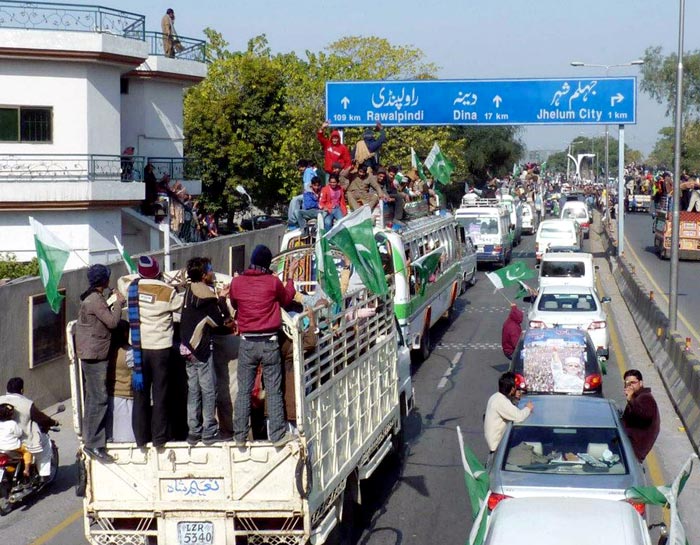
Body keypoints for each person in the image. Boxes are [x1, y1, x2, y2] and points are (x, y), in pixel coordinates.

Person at [229, 245, 296, 448]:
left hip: (247, 343)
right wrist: (290, 279)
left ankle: (239, 435)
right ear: (268, 264)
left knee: (244, 391)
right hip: (270, 343)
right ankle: (276, 436)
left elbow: (234, 304)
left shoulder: (237, 282)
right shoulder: (273, 282)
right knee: (274, 389)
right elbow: (286, 299)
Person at [119, 256, 184, 448]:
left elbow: (121, 280)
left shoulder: (131, 288)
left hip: (139, 351)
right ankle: (159, 437)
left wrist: (141, 276)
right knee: (161, 394)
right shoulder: (168, 292)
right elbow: (179, 307)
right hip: (161, 350)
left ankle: (141, 438)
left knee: (140, 396)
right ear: (158, 271)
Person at [180, 257, 232, 446]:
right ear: (203, 275)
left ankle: (193, 431)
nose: (213, 272)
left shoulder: (188, 291)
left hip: (185, 347)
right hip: (200, 348)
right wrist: (222, 299)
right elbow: (219, 322)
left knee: (193, 390)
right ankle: (209, 430)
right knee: (209, 390)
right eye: (210, 269)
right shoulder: (207, 296)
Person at [75, 264, 125, 462]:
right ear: (103, 280)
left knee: (93, 399)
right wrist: (119, 303)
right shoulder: (95, 300)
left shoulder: (93, 298)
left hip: (92, 353)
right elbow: (112, 323)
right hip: (95, 355)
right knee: (99, 399)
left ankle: (92, 439)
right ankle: (94, 444)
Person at [0, 378, 58, 483]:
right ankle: (44, 475)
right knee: (45, 444)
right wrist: (53, 422)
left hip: (2, 441)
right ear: (21, 390)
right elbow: (42, 419)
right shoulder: (27, 404)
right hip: (21, 441)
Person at [484, 372, 533, 456]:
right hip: (498, 448)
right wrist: (528, 408)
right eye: (517, 389)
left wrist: (515, 398)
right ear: (512, 389)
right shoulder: (501, 402)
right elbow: (519, 417)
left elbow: (510, 408)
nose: (519, 392)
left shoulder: (496, 397)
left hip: (499, 443)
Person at [621, 369, 660, 463]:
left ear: (641, 383)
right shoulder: (637, 397)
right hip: (628, 446)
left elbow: (643, 415)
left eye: (633, 383)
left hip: (634, 450)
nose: (630, 386)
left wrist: (630, 399)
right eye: (627, 383)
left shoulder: (646, 398)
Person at [106, 321, 135, 443]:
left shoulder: (106, 352)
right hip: (126, 396)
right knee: (127, 435)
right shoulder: (129, 352)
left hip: (111, 396)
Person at [0, 403, 33, 478]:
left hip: (1, 449)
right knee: (27, 451)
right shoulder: (12, 424)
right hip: (13, 447)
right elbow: (19, 433)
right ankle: (26, 470)